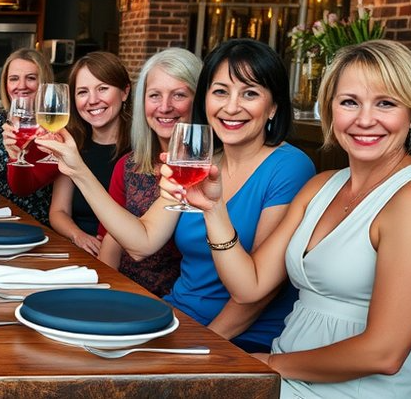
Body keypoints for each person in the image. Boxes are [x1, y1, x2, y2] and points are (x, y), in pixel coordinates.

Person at [166, 40, 411, 397]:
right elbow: (249, 286)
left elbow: (384, 353)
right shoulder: (322, 186)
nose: (365, 119)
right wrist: (213, 209)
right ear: (330, 111)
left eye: (386, 103)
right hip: (283, 372)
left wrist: (266, 364)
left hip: (349, 390)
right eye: (349, 102)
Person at [36, 39, 314, 353]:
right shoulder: (198, 161)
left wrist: (198, 345)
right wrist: (79, 171)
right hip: (177, 317)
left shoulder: (290, 167)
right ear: (206, 100)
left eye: (249, 93)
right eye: (220, 91)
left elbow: (255, 295)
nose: (231, 106)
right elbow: (141, 242)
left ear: (274, 106)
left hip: (241, 338)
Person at [94, 48, 201, 296]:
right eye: (154, 95)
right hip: (122, 292)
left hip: (175, 302)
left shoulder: (206, 172)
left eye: (179, 95)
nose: (164, 107)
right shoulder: (128, 165)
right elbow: (111, 242)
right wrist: (101, 295)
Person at [43, 51, 132, 255]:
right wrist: (78, 236)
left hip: (128, 256)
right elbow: (58, 211)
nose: (92, 100)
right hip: (82, 252)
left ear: (125, 92)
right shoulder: (73, 146)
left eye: (102, 89)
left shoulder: (141, 150)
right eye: (82, 92)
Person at [0, 49, 56, 225]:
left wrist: (15, 155)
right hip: (0, 214)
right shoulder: (1, 120)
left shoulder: (55, 128)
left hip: (37, 223)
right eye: (14, 79)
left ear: (44, 83)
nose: (21, 85)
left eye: (31, 78)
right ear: (5, 84)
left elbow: (23, 189)